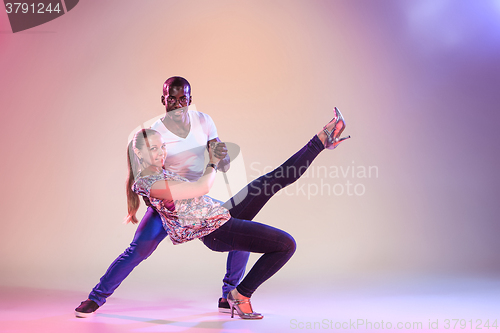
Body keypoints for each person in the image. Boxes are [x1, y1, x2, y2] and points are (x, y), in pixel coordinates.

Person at [105, 107, 349, 319]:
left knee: (274, 178)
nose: (161, 154)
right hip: (214, 232)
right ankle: (240, 294)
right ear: (138, 154)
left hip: (219, 214)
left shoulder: (164, 171)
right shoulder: (149, 183)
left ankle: (320, 140)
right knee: (286, 245)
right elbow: (202, 186)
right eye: (153, 150)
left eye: (162, 148)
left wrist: (217, 155)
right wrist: (211, 162)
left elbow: (210, 173)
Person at [75, 76, 249, 317]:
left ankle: (229, 294)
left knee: (242, 233)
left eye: (183, 99)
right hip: (167, 202)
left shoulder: (204, 121)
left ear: (190, 99)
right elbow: (145, 177)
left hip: (197, 201)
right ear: (163, 100)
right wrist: (165, 203)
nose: (177, 105)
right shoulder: (155, 131)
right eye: (171, 100)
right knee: (137, 251)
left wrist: (222, 156)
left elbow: (223, 164)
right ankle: (95, 298)